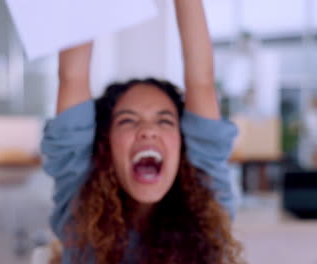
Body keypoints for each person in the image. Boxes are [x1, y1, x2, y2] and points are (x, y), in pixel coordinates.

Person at [41, 0, 243, 263]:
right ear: (106, 144)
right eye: (128, 121)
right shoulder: (80, 199)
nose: (148, 131)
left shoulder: (206, 204)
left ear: (182, 145)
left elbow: (202, 81)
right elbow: (72, 77)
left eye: (165, 121)